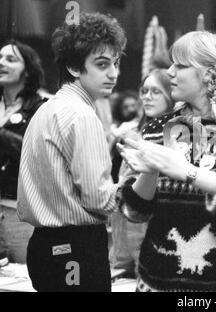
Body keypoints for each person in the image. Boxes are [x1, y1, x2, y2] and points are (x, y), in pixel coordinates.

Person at [118, 31, 216, 292]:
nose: (170, 72)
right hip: (158, 284)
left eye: (180, 65)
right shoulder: (156, 128)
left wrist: (189, 172)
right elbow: (133, 212)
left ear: (207, 74)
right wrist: (149, 173)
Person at [17, 12, 127, 292]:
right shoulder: (82, 116)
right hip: (75, 249)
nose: (113, 73)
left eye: (116, 63)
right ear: (74, 68)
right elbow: (99, 200)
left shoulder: (47, 108)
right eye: (102, 64)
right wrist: (135, 183)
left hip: (44, 245)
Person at [110, 68, 175, 277]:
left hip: (154, 233)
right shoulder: (132, 135)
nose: (147, 96)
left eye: (156, 91)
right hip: (122, 228)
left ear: (170, 94)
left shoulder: (178, 136)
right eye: (144, 90)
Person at [0, 41, 47, 266]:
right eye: (0, 58)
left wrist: (2, 135)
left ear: (28, 71)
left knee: (26, 280)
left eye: (10, 59)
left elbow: (38, 154)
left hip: (19, 214)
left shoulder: (41, 108)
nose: (1, 63)